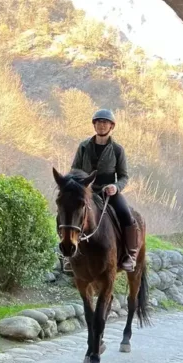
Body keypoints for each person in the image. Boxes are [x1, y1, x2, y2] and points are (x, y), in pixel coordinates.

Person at [71, 108, 141, 271]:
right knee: (68, 213)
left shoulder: (118, 150)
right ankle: (67, 256)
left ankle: (130, 255)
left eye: (105, 122)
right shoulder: (83, 147)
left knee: (126, 215)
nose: (101, 125)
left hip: (108, 193)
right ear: (94, 125)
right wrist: (80, 185)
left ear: (111, 126)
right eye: (98, 122)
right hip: (86, 191)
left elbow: (124, 176)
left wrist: (115, 187)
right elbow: (74, 169)